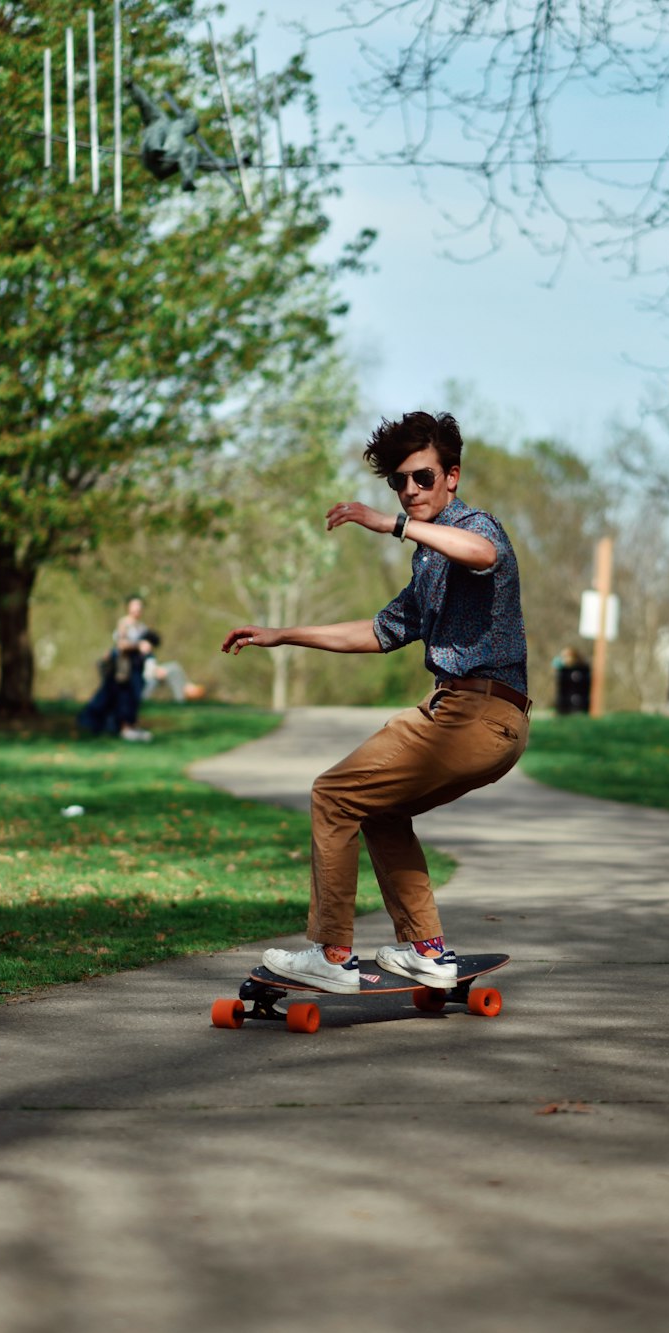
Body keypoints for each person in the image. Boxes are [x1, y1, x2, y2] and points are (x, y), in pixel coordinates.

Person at [221, 409, 530, 993]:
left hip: (476, 713)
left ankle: (332, 954)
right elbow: (378, 631)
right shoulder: (430, 562)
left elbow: (482, 555)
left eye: (422, 478)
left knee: (333, 794)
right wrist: (282, 634)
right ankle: (426, 950)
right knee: (378, 808)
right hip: (479, 719)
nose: (410, 491)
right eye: (398, 483)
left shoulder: (477, 528)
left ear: (451, 476)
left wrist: (389, 523)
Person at [77, 594, 153, 741]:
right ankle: (124, 728)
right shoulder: (124, 624)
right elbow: (121, 644)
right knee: (123, 697)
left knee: (135, 697)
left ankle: (133, 726)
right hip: (123, 669)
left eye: (140, 607)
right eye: (134, 607)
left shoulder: (142, 627)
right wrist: (139, 646)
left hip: (137, 667)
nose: (137, 610)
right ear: (128, 607)